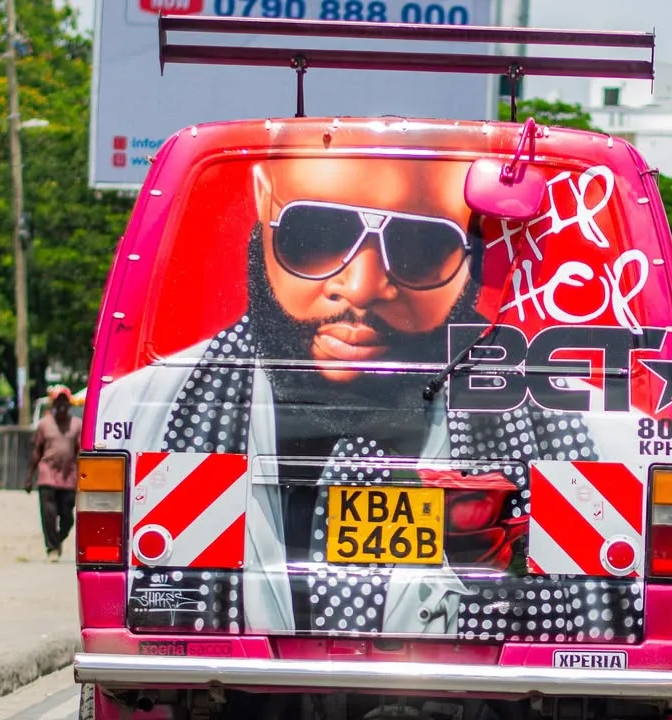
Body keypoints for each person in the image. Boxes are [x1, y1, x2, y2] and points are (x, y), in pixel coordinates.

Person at [98, 156, 635, 642]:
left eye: (421, 248)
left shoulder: (596, 442)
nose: (361, 285)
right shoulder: (148, 414)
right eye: (318, 235)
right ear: (264, 200)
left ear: (473, 257)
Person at [26, 385, 81, 562]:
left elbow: (80, 452)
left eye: (65, 401)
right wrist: (29, 477)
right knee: (49, 514)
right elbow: (37, 452)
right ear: (53, 404)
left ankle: (57, 540)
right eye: (58, 401)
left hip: (68, 477)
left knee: (67, 518)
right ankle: (52, 549)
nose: (62, 405)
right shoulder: (44, 424)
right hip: (47, 475)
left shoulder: (77, 425)